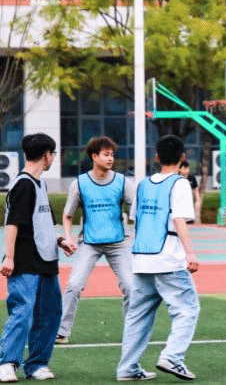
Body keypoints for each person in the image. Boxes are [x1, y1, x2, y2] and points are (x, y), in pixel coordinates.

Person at [116, 135, 200, 381]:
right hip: (168, 258)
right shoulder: (180, 184)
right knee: (187, 309)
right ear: (183, 157)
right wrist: (190, 252)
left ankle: (127, 368)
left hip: (142, 258)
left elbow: (136, 217)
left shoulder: (142, 184)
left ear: (156, 157)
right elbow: (178, 218)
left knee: (137, 315)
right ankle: (172, 357)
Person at [0, 133, 77, 382]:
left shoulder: (40, 185)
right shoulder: (23, 185)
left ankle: (36, 364)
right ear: (46, 156)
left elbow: (45, 225)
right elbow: (12, 224)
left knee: (51, 313)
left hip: (46, 261)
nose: (53, 158)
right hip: (25, 261)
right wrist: (9, 257)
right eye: (52, 154)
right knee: (22, 311)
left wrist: (61, 241)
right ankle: (6, 362)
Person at [56, 136, 136, 345]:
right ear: (94, 156)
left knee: (130, 286)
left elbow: (137, 209)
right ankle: (61, 332)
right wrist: (68, 237)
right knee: (74, 285)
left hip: (118, 243)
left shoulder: (122, 182)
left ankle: (133, 332)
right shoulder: (79, 183)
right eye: (106, 155)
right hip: (89, 243)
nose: (110, 159)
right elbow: (68, 215)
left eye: (112, 155)